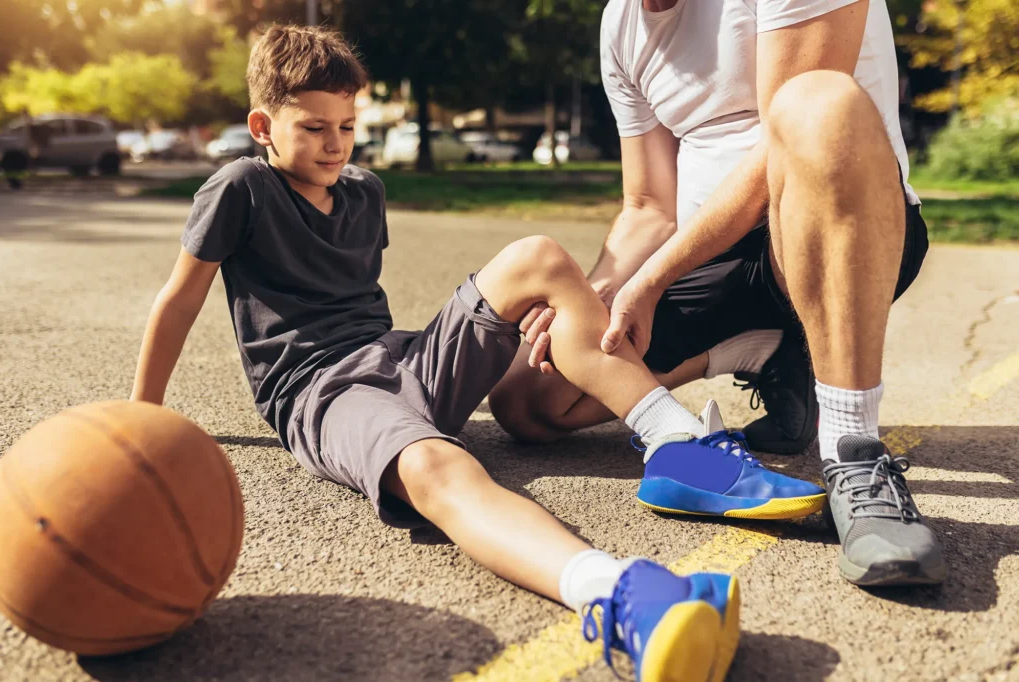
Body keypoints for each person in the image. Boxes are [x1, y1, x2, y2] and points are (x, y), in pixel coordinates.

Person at [128, 25, 822, 681]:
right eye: (313, 129)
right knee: (435, 464)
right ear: (262, 127)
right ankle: (616, 594)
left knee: (539, 258)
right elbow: (179, 301)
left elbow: (364, 304)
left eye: (346, 126)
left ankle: (671, 441)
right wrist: (139, 419)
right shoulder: (241, 188)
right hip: (324, 391)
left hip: (403, 358)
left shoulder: (365, 191)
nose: (335, 145)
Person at [491, 0, 945, 587]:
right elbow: (649, 206)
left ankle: (854, 454)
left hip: (832, 230)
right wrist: (601, 288)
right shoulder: (620, 23)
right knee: (531, 398)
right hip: (709, 258)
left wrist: (653, 278)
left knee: (817, 104)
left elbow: (787, 149)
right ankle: (761, 349)